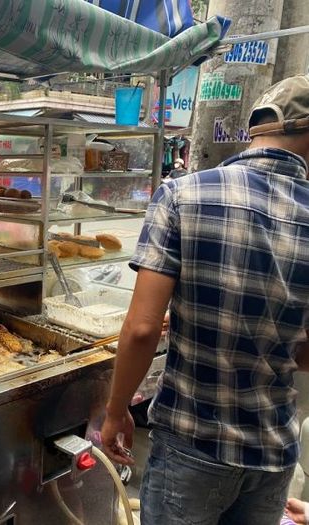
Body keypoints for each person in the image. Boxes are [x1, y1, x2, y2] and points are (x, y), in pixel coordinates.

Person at [101, 74, 309, 525]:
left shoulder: (182, 193)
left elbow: (141, 329)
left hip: (192, 441)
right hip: (273, 449)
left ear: (255, 131)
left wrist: (116, 412)